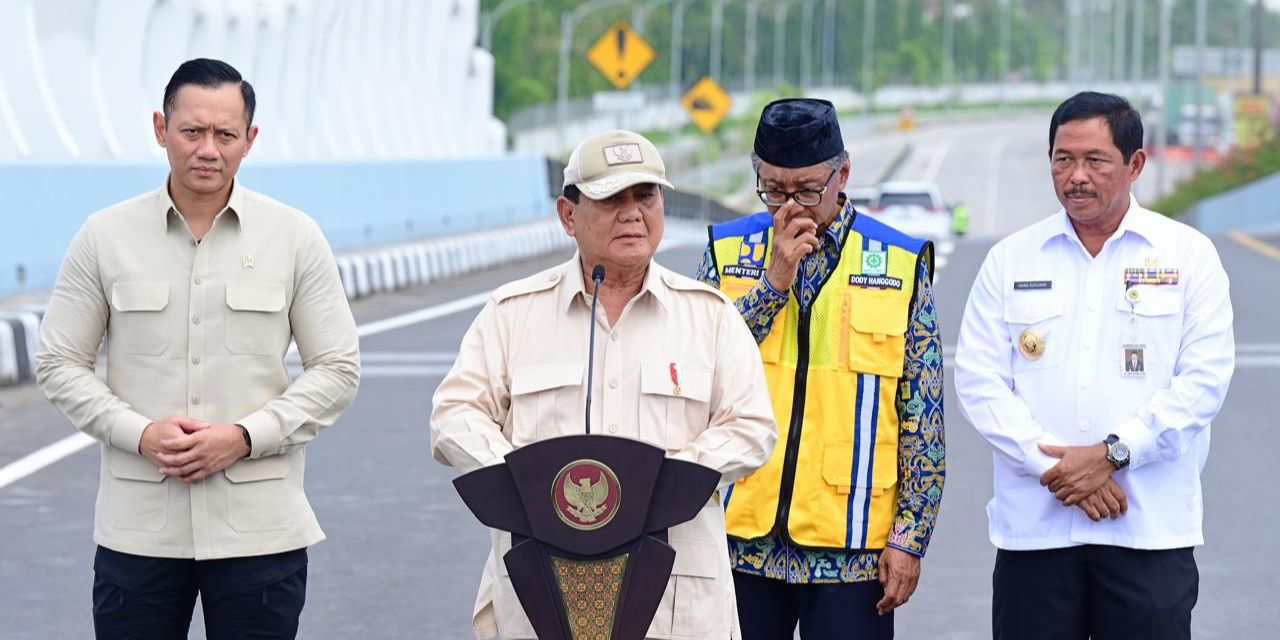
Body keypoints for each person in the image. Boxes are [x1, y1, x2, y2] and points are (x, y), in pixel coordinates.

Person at [35, 58, 360, 639]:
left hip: (260, 533)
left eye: (225, 134)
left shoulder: (295, 237)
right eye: (192, 132)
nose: (208, 149)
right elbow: (60, 362)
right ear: (161, 129)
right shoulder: (103, 237)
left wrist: (244, 438)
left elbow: (336, 368)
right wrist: (138, 432)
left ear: (249, 140)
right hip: (139, 533)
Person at [431, 129, 777, 640]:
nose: (633, 212)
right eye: (611, 198)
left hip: (675, 600)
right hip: (539, 586)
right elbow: (453, 415)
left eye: (646, 195)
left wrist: (658, 484)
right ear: (567, 215)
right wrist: (530, 483)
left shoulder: (711, 317)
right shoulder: (512, 314)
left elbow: (752, 427)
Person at [954, 91, 1235, 639]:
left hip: (1149, 533)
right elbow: (979, 381)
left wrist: (1113, 455)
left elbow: (1202, 383)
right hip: (1035, 535)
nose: (1075, 176)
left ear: (1135, 165)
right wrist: (1061, 472)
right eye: (1063, 159)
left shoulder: (1188, 256)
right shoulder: (1010, 260)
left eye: (1094, 160)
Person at [697, 98, 945, 639]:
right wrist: (772, 285)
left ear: (843, 174)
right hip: (739, 540)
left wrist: (910, 537)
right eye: (774, 189)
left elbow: (922, 416)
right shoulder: (726, 252)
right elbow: (700, 372)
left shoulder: (899, 264)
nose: (792, 205)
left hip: (851, 548)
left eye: (808, 189)